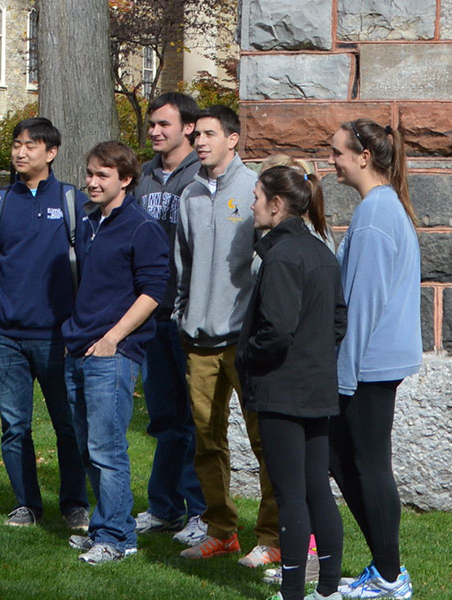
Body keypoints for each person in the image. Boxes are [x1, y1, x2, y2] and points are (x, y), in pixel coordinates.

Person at [0, 117, 90, 529]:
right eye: (17, 144)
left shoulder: (73, 202)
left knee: (68, 427)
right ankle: (26, 504)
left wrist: (83, 330)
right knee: (15, 427)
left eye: (30, 145)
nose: (20, 152)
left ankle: (74, 504)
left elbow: (90, 272)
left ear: (50, 153)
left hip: (59, 338)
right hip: (6, 338)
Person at [175, 104, 280, 566]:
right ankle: (222, 531)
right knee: (207, 442)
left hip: (245, 343)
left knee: (265, 443)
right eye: (196, 134)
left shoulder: (256, 189)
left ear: (233, 140)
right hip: (198, 341)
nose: (199, 141)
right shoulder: (190, 194)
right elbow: (184, 265)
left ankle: (273, 537)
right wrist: (184, 313)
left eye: (209, 134)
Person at [240, 160, 347, 600]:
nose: (252, 204)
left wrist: (246, 355)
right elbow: (338, 321)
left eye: (258, 197)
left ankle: (293, 592)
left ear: (277, 204)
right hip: (316, 387)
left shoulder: (282, 256)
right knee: (316, 489)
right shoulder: (321, 250)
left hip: (284, 390)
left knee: (291, 496)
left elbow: (277, 330)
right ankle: (326, 588)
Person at [60, 141, 170, 565]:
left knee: (108, 448)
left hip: (114, 352)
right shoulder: (89, 222)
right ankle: (107, 527)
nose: (92, 181)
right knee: (89, 446)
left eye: (103, 175)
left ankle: (118, 537)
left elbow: (153, 293)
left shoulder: (141, 226)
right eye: (89, 173)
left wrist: (113, 339)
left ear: (125, 179)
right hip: (78, 346)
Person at [328, 118, 420, 599]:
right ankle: (386, 569)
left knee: (366, 465)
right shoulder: (381, 207)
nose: (332, 160)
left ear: (364, 156)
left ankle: (389, 575)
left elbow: (362, 305)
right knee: (345, 459)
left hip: (367, 366)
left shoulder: (376, 213)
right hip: (372, 364)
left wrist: (343, 378)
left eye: (339, 152)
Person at [129, 92, 206, 537]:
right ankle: (164, 507)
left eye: (164, 124)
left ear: (188, 128)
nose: (155, 131)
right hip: (149, 316)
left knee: (193, 418)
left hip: (188, 316)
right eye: (152, 125)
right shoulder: (141, 178)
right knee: (163, 418)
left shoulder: (200, 178)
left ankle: (200, 511)